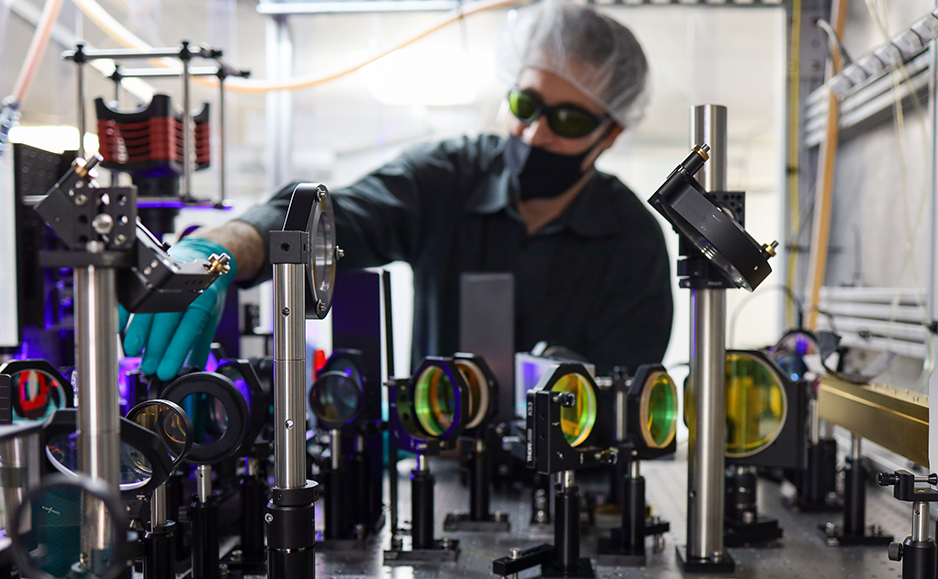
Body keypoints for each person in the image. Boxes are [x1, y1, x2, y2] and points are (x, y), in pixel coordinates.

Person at [121, 0, 673, 380]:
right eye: (525, 106)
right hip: (437, 471)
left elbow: (625, 396)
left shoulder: (633, 244)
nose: (536, 132)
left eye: (570, 121)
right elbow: (334, 218)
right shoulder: (447, 178)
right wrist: (219, 252)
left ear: (610, 134)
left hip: (578, 490)